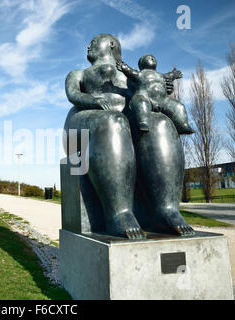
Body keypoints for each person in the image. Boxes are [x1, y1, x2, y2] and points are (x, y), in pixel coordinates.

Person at [64, 34, 194, 239]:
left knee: (160, 123)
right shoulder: (78, 73)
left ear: (112, 45)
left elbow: (147, 93)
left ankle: (166, 209)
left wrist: (163, 88)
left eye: (95, 42)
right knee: (113, 122)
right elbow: (72, 94)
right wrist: (93, 101)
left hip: (125, 121)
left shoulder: (127, 75)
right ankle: (119, 212)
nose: (89, 46)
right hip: (83, 122)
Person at [116, 54, 194, 134]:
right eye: (148, 58)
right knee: (141, 104)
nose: (151, 58)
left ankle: (182, 125)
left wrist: (174, 74)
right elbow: (130, 72)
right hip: (145, 97)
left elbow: (170, 76)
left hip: (164, 100)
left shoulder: (161, 75)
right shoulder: (140, 74)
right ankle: (143, 122)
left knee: (178, 106)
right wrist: (124, 67)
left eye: (153, 57)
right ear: (141, 64)